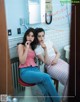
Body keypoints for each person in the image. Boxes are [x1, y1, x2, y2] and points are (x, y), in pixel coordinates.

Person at [17, 28, 61, 102]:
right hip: (25, 72)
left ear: (34, 38)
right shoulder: (21, 46)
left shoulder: (34, 47)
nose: (30, 38)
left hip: (35, 70)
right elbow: (22, 61)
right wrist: (27, 48)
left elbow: (45, 62)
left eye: (32, 36)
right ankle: (58, 100)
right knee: (47, 77)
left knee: (45, 88)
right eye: (28, 35)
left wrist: (45, 49)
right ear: (25, 36)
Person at [34, 28, 69, 101]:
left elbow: (58, 52)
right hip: (50, 66)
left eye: (43, 36)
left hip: (58, 61)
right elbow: (46, 62)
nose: (41, 38)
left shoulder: (49, 41)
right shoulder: (37, 49)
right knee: (68, 76)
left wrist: (56, 59)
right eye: (39, 36)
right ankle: (64, 99)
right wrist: (45, 49)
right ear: (36, 37)